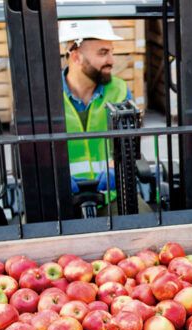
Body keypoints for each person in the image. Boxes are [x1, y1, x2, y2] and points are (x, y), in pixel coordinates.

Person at [59, 20, 145, 215]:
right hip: (59, 199)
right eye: (103, 53)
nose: (112, 61)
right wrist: (56, 176)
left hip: (112, 196)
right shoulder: (45, 95)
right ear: (76, 57)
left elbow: (129, 143)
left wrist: (118, 170)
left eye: (111, 52)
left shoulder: (119, 90)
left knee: (145, 226)